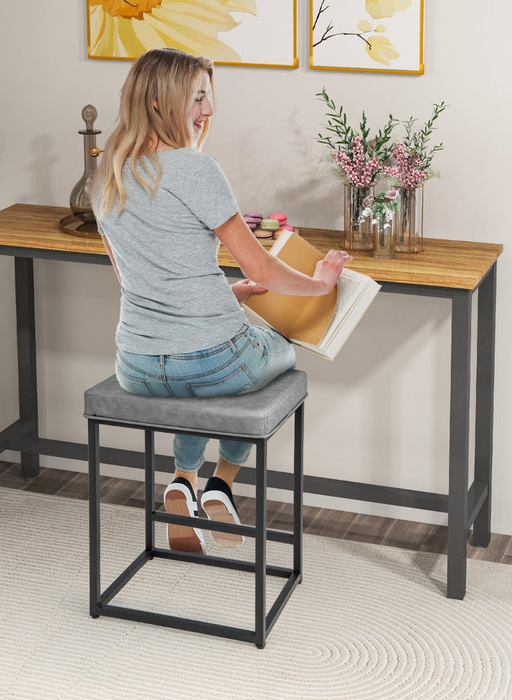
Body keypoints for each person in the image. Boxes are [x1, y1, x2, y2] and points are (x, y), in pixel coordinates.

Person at [91, 48, 350, 555]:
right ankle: (221, 485)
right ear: (160, 100)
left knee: (195, 383)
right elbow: (260, 267)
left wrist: (221, 294)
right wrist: (320, 284)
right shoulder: (193, 168)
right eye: (199, 97)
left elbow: (133, 278)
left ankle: (182, 481)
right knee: (277, 351)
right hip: (211, 359)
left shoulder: (107, 173)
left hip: (136, 365)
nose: (208, 110)